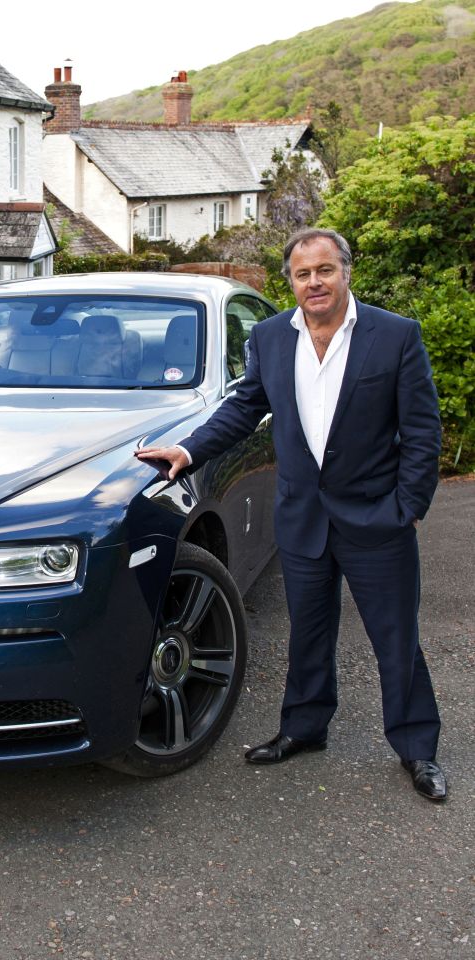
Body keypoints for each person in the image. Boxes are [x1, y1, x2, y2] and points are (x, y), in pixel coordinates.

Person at [136, 227, 447, 801]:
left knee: (395, 637)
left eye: (324, 271)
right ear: (291, 282)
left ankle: (418, 748)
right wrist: (187, 450)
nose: (314, 283)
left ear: (345, 271)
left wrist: (409, 505)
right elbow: (245, 407)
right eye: (302, 275)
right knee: (308, 633)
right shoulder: (272, 337)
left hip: (378, 519)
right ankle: (304, 730)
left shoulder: (395, 336)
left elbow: (424, 431)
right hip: (303, 517)